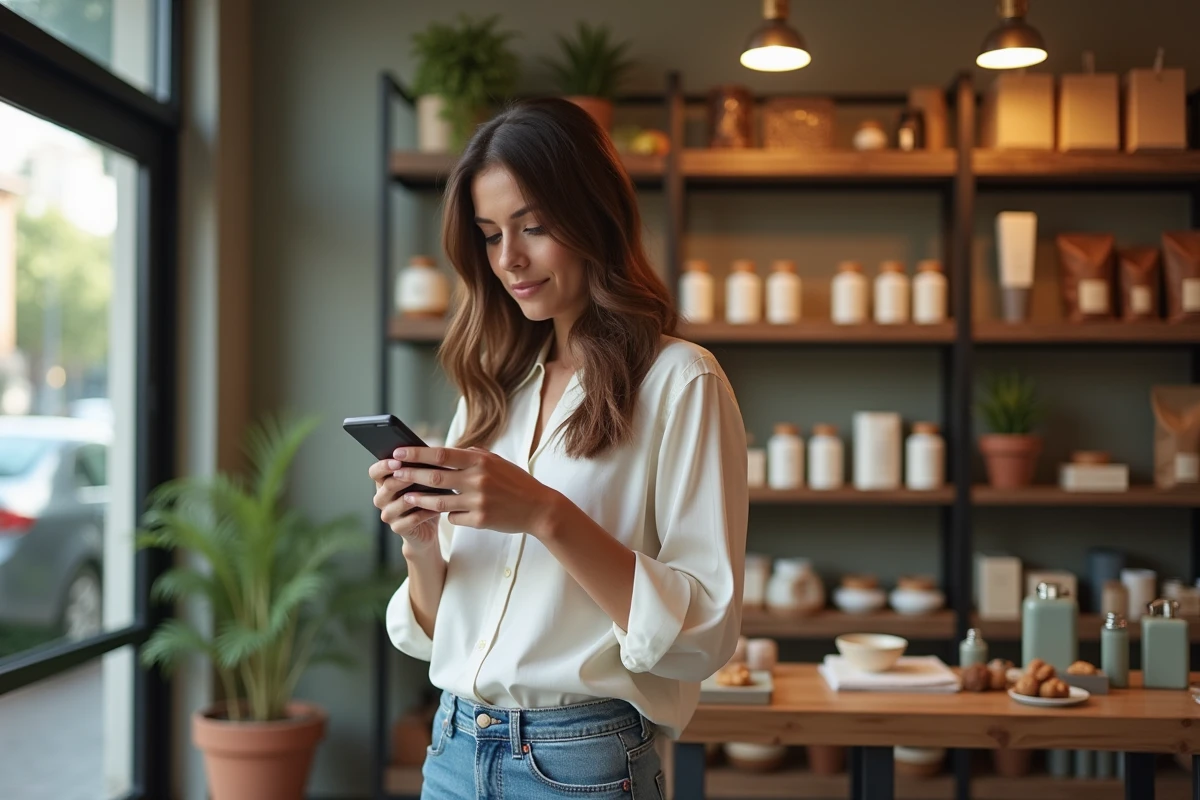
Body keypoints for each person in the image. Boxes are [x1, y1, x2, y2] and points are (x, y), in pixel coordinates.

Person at [370, 96, 748, 799]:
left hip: (581, 765)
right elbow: (435, 627)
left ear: (593, 218)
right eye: (488, 235)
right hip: (452, 749)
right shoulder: (491, 390)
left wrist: (546, 513)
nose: (509, 258)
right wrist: (421, 542)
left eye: (534, 226)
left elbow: (707, 630)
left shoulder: (680, 381)